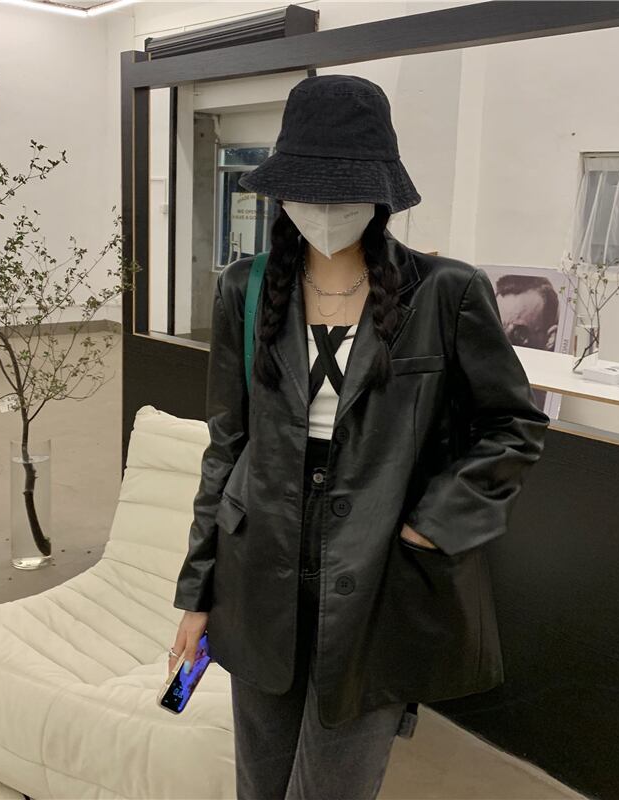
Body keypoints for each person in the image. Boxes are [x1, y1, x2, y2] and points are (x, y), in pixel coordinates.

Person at [169, 74, 550, 800]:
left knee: (333, 785)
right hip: (259, 568)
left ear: (382, 194)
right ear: (282, 191)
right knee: (260, 784)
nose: (326, 208)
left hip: (378, 574)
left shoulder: (446, 292)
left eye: (344, 190)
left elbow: (513, 425)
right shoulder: (243, 289)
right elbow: (227, 447)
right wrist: (197, 592)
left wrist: (430, 527)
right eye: (311, 188)